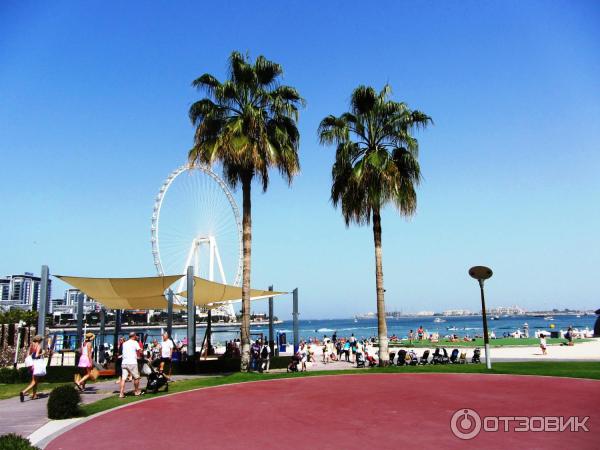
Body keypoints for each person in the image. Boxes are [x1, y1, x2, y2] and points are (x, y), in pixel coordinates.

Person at [20, 335, 44, 402]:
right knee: (34, 381)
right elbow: (36, 355)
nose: (41, 341)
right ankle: (23, 392)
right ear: (39, 340)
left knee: (35, 381)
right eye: (41, 340)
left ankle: (34, 395)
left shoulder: (31, 345)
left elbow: (29, 355)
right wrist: (42, 353)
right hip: (36, 364)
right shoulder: (38, 346)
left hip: (31, 365)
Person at [120, 332, 142, 398]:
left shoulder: (125, 343)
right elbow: (140, 351)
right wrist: (141, 349)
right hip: (132, 362)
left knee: (123, 378)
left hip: (124, 362)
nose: (136, 336)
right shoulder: (135, 342)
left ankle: (121, 393)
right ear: (134, 336)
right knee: (136, 377)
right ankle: (136, 391)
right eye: (136, 335)